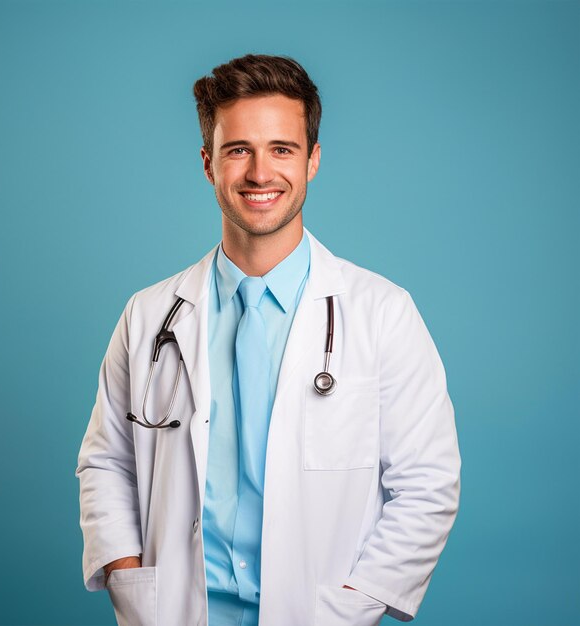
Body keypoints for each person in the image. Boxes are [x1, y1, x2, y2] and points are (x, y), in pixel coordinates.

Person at [77, 54, 460, 626]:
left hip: (316, 612)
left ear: (313, 162)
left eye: (282, 149)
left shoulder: (383, 313)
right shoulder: (148, 315)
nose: (260, 173)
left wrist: (356, 600)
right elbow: (106, 462)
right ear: (208, 164)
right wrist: (130, 573)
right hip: (179, 611)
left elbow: (428, 482)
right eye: (239, 151)